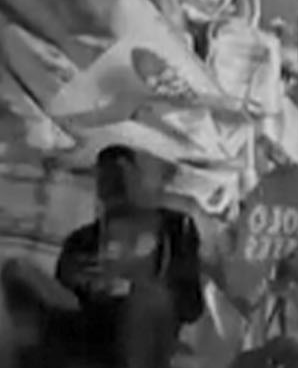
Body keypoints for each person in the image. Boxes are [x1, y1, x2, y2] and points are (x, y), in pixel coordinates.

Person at [55, 145, 207, 368]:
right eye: (107, 177)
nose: (116, 185)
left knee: (147, 302)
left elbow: (191, 306)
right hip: (97, 337)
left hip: (148, 332)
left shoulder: (176, 227)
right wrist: (81, 280)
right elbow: (61, 303)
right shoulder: (81, 243)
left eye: (122, 173)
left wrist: (138, 289)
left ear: (137, 177)